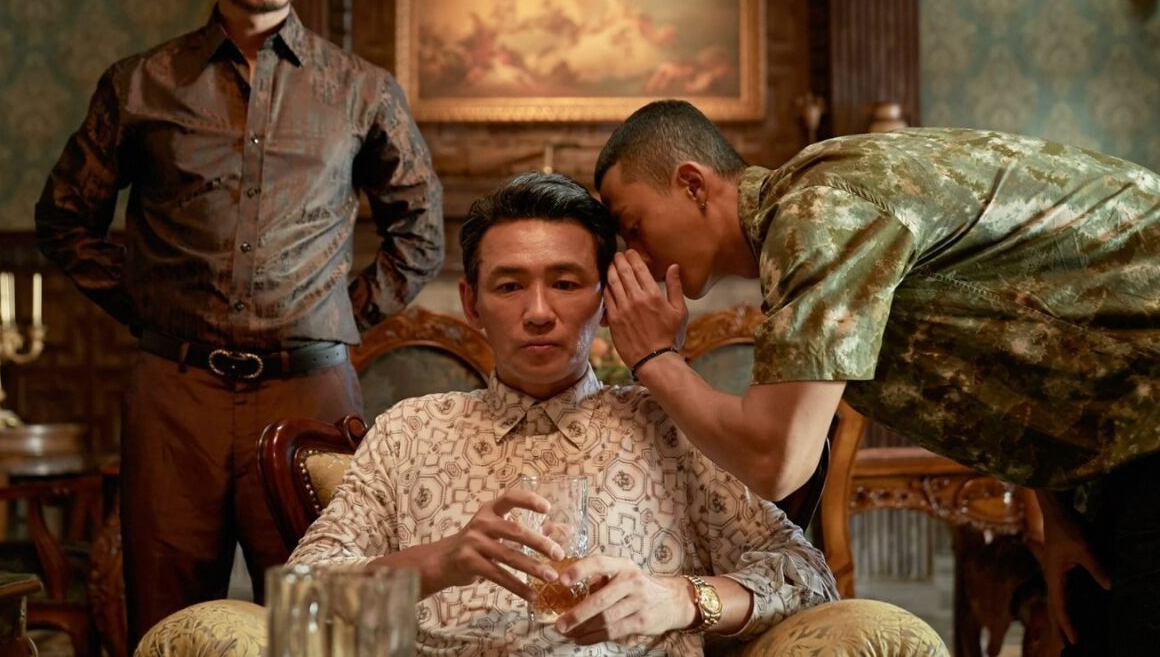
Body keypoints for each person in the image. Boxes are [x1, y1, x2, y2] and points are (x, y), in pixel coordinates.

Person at [593, 99, 1160, 656]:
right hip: (1111, 450)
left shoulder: (817, 209)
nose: (634, 256)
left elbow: (779, 460)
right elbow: (1016, 342)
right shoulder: (806, 222)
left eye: (634, 227)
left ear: (693, 184)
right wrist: (1059, 512)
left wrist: (656, 359)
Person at [34, 0, 443, 645]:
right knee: (167, 622)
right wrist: (151, 309)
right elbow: (64, 216)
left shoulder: (361, 89)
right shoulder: (142, 84)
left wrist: (329, 317)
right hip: (175, 394)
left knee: (329, 627)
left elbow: (421, 231)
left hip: (310, 391)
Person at [289, 173, 837, 656]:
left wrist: (677, 598)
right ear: (472, 303)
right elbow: (301, 602)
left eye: (566, 284)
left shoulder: (671, 426)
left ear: (606, 299)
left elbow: (807, 576)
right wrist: (440, 562)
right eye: (509, 286)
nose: (538, 313)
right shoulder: (409, 432)